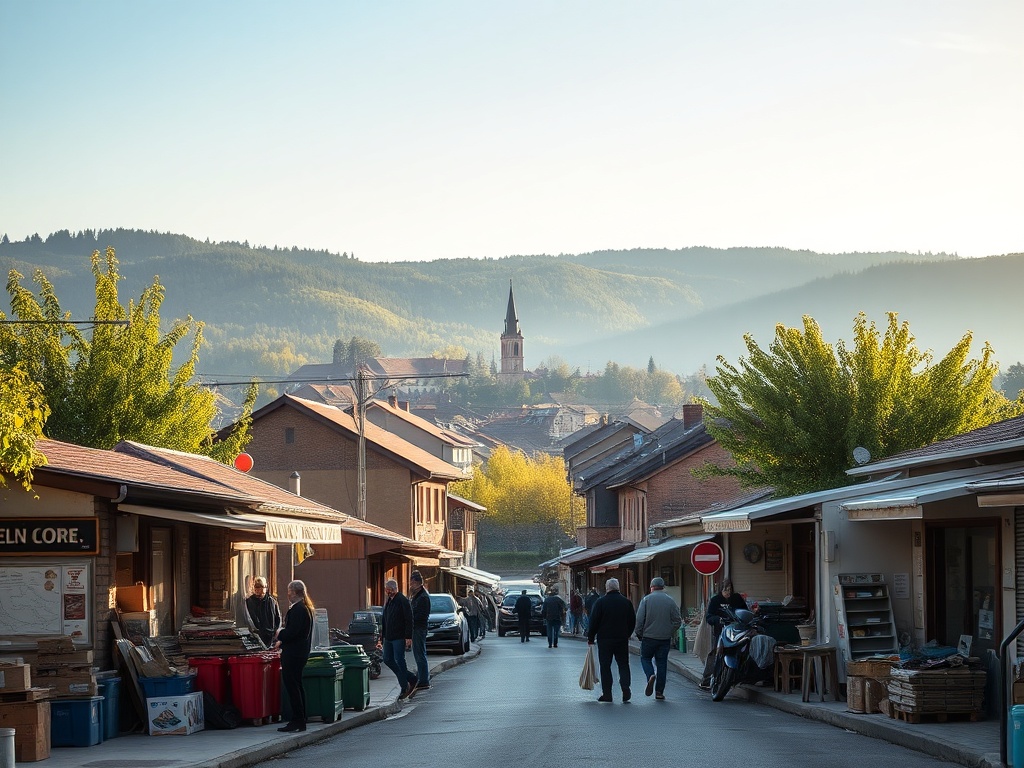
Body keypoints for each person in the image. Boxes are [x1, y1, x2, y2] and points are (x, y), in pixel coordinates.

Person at [273, 579, 314, 732]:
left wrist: (279, 634)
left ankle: (297, 720)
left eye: (289, 592)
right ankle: (301, 719)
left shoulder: (298, 609)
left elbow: (293, 632)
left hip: (294, 654)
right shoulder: (306, 608)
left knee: (292, 686)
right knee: (297, 685)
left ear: (294, 592)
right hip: (300, 653)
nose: (288, 595)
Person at [587, 577, 636, 703]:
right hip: (621, 639)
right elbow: (632, 621)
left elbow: (594, 622)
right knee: (623, 664)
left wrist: (591, 637)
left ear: (607, 588)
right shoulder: (626, 602)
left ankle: (607, 694)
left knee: (605, 666)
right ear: (618, 587)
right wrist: (627, 634)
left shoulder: (600, 602)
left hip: (605, 639)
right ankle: (625, 688)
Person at [635, 576, 682, 700]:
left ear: (651, 588)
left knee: (645, 658)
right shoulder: (670, 601)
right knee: (662, 663)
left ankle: (650, 675)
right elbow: (677, 620)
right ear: (663, 587)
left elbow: (639, 620)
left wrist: (639, 633)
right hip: (664, 639)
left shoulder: (646, 600)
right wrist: (669, 631)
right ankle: (659, 692)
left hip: (649, 637)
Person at [700, 578, 748, 689]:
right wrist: (718, 619)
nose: (728, 592)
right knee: (715, 653)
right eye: (726, 590)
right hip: (721, 632)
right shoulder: (716, 600)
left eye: (730, 590)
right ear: (721, 589)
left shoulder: (737, 598)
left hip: (737, 631)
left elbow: (745, 612)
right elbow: (709, 617)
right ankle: (707, 679)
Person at [379, 578, 416, 699]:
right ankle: (410, 678)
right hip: (388, 637)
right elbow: (385, 619)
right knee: (387, 659)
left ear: (395, 589)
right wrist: (382, 636)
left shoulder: (402, 600)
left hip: (399, 636)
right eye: (387, 590)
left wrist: (408, 636)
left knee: (400, 660)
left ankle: (404, 685)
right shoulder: (389, 601)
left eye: (389, 590)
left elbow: (408, 618)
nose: (388, 592)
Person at [408, 570, 430, 692]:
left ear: (416, 582)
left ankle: (423, 680)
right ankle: (422, 678)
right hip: (417, 628)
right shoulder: (418, 595)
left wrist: (410, 619)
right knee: (419, 653)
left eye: (411, 581)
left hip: (419, 628)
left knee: (420, 653)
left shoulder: (422, 597)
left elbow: (420, 615)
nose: (410, 584)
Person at [245, 576, 282, 648]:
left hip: (271, 634)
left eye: (260, 587)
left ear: (265, 588)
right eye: (256, 587)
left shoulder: (271, 600)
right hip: (257, 634)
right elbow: (250, 617)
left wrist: (275, 631)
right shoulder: (250, 601)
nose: (257, 589)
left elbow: (278, 617)